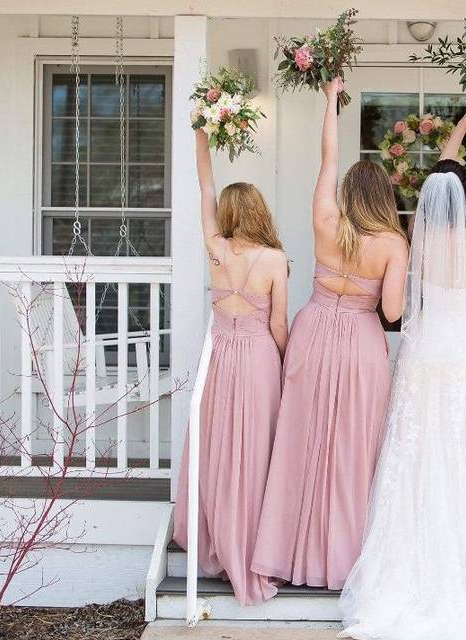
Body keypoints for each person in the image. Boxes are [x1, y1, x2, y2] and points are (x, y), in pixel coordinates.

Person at [339, 116, 466, 640]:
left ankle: (411, 565)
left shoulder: (420, 236)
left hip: (425, 353)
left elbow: (442, 176)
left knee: (420, 452)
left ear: (433, 200)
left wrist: (462, 128)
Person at [252, 78, 409, 590]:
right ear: (384, 196)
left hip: (314, 331)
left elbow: (327, 159)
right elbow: (393, 312)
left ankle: (287, 553)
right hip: (362, 342)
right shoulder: (392, 244)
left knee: (300, 444)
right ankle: (343, 561)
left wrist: (329, 103)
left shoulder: (325, 220)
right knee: (351, 453)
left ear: (347, 192)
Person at [172, 128, 288, 606]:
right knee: (256, 453)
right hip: (259, 356)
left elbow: (203, 187)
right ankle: (254, 548)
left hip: (220, 355)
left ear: (228, 213)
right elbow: (279, 324)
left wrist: (201, 136)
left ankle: (219, 543)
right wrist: (283, 363)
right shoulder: (275, 259)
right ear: (259, 212)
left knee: (220, 451)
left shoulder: (216, 251)